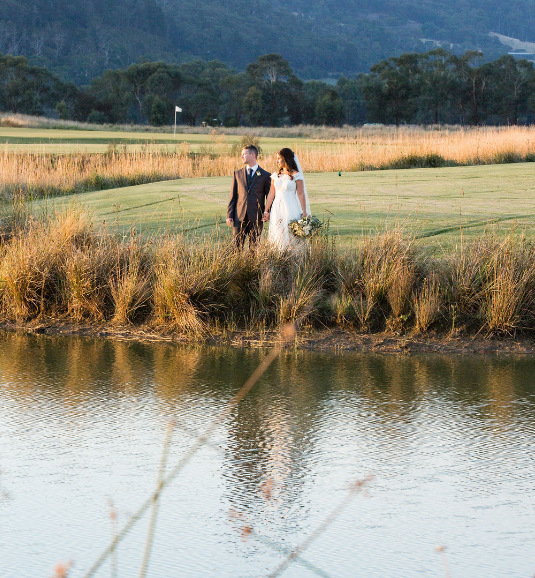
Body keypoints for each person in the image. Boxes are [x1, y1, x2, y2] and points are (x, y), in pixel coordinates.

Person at [262, 148, 311, 250]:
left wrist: (304, 211)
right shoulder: (276, 175)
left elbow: (301, 194)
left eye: (279, 158)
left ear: (286, 159)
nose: (277, 161)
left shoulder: (296, 175)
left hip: (290, 206)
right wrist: (266, 210)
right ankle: (279, 257)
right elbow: (271, 193)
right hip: (276, 207)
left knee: (290, 233)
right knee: (278, 232)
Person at [226, 145, 272, 250]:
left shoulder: (265, 175)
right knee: (236, 248)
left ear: (252, 155)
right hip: (239, 216)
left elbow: (269, 197)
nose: (242, 156)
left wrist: (268, 211)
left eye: (244, 154)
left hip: (256, 217)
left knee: (253, 249)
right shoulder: (237, 174)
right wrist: (229, 215)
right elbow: (232, 196)